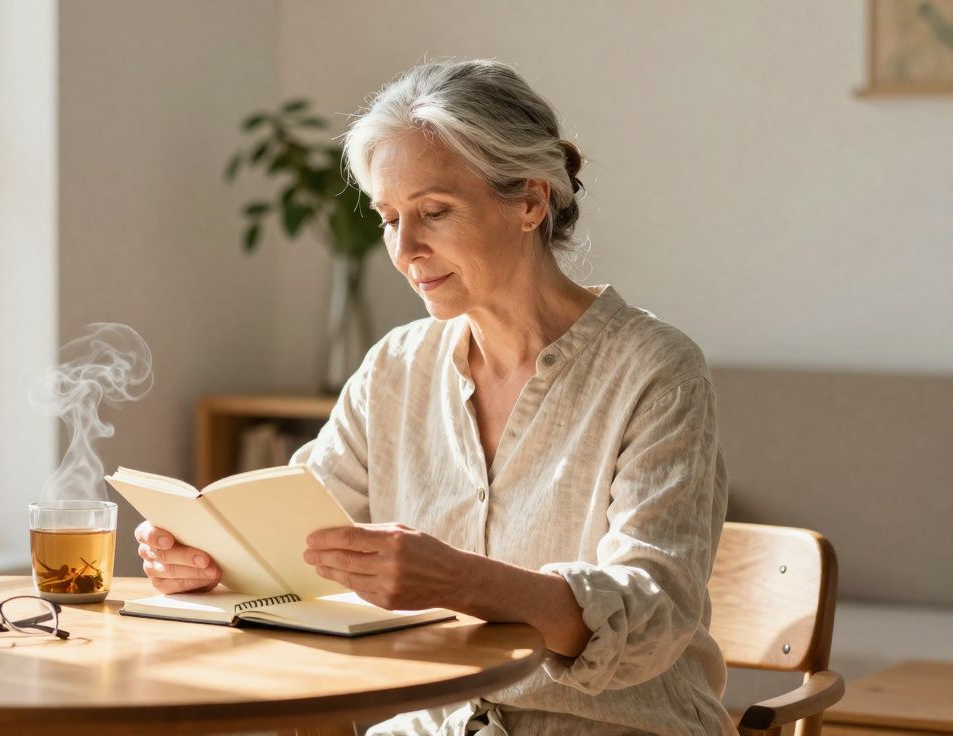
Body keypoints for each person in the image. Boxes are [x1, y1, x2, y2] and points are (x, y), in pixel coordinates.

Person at [135, 59, 733, 735]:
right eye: (390, 217)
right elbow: (293, 535)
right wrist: (204, 555)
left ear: (531, 202)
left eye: (434, 212)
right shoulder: (395, 366)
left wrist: (462, 581)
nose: (405, 249)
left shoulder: (654, 369)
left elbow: (652, 616)